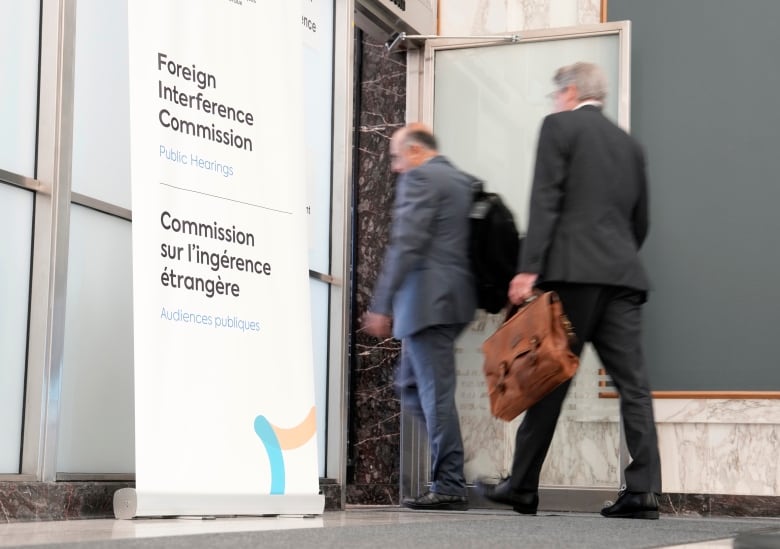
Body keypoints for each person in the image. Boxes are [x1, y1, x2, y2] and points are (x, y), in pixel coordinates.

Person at [478, 62, 662, 519]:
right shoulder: (630, 146)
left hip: (574, 273)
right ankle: (642, 492)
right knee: (634, 386)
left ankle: (521, 487)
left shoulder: (558, 126)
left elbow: (546, 198)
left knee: (548, 377)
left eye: (555, 95)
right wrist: (615, 259)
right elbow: (640, 221)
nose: (553, 103)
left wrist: (529, 269)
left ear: (571, 91)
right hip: (623, 277)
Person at [363, 123, 477, 511]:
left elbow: (405, 245)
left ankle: (449, 482)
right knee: (412, 386)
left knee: (433, 393)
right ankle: (453, 470)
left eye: (396, 157)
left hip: (428, 304)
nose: (395, 167)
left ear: (413, 151)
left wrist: (381, 304)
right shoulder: (460, 179)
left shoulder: (421, 178)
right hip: (451, 301)